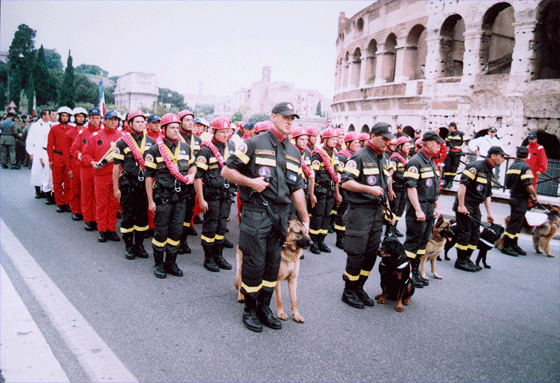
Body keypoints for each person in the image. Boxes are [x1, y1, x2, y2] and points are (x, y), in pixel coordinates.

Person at [222, 101, 309, 333]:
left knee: (272, 266)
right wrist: (251, 182)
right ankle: (249, 311)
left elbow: (298, 187)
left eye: (293, 119)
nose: (290, 122)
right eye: (285, 117)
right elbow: (226, 170)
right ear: (273, 117)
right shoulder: (252, 144)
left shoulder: (294, 152)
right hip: (257, 213)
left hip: (281, 216)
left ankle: (264, 308)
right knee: (254, 264)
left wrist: (304, 217)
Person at [339, 122, 395, 309]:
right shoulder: (359, 157)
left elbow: (383, 189)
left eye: (389, 139)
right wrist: (368, 189)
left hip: (377, 213)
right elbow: (345, 182)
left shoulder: (384, 158)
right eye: (384, 139)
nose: (387, 142)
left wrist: (388, 210)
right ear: (372, 136)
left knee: (371, 254)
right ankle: (349, 290)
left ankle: (359, 287)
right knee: (356, 254)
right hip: (359, 212)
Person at [145, 113, 197, 279]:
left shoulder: (185, 148)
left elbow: (193, 166)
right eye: (172, 128)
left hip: (180, 197)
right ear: (164, 129)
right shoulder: (154, 149)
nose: (175, 131)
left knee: (176, 232)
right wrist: (150, 200)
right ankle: (159, 264)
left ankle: (171, 263)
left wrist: (191, 176)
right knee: (161, 232)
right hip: (163, 197)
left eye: (177, 127)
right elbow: (148, 177)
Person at [453, 146, 506, 272]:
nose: (503, 159)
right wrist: (461, 205)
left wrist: (489, 213)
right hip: (465, 204)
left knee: (475, 234)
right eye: (502, 156)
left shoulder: (490, 172)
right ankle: (460, 261)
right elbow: (462, 186)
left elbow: (487, 194)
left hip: (475, 206)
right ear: (493, 156)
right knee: (465, 233)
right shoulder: (476, 167)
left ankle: (467, 259)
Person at [194, 116, 236, 272]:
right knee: (210, 227)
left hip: (226, 194)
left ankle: (219, 256)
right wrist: (201, 199)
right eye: (222, 132)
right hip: (211, 194)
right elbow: (198, 177)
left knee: (221, 226)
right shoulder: (205, 150)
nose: (226, 135)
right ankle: (208, 258)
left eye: (228, 132)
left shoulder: (231, 147)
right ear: (214, 131)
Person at [403, 131, 444, 288]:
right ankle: (407, 274)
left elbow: (434, 187)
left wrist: (436, 206)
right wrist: (418, 210)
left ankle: (415, 272)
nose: (439, 146)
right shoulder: (415, 162)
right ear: (428, 144)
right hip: (418, 208)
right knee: (413, 242)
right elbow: (411, 187)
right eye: (437, 143)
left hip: (429, 208)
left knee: (422, 243)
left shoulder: (430, 161)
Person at [112, 110, 155, 260]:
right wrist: (115, 188)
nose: (141, 124)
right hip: (128, 184)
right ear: (129, 124)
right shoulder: (122, 141)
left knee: (143, 217)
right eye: (137, 121)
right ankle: (129, 245)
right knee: (128, 217)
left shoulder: (151, 141)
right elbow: (116, 167)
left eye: (143, 121)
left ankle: (140, 244)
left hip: (144, 186)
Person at [82, 110, 123, 242]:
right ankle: (102, 230)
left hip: (117, 176)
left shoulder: (122, 137)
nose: (113, 122)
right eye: (110, 119)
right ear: (104, 121)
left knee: (114, 204)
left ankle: (111, 229)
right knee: (101, 203)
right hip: (101, 175)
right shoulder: (95, 136)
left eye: (115, 120)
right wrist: (92, 162)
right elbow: (85, 155)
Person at [501, 146, 538, 257]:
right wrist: (534, 195)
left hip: (513, 196)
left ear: (517, 154)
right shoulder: (525, 167)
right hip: (521, 198)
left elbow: (507, 183)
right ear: (528, 155)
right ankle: (506, 246)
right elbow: (528, 185)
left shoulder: (512, 166)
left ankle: (513, 244)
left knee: (518, 222)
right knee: (515, 223)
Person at [309, 127, 341, 254]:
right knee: (318, 216)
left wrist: (337, 193)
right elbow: (313, 175)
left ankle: (321, 241)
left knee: (327, 216)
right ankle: (314, 242)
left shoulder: (335, 154)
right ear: (325, 140)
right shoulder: (318, 154)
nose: (334, 141)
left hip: (330, 190)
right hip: (320, 190)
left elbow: (336, 174)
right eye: (332, 139)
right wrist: (312, 194)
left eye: (335, 139)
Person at [71, 107, 102, 231]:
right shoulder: (82, 133)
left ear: (101, 119)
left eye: (97, 118)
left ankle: (97, 219)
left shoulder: (103, 133)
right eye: (93, 118)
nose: (95, 120)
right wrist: (79, 155)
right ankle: (88, 219)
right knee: (87, 193)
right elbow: (74, 149)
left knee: (98, 195)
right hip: (86, 168)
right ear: (89, 118)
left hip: (100, 168)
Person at [177, 109, 201, 251]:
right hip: (178, 181)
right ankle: (176, 241)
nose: (190, 123)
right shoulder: (175, 137)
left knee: (188, 213)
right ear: (180, 122)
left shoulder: (197, 140)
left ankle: (183, 241)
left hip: (192, 182)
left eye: (192, 120)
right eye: (187, 120)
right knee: (177, 214)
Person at [333, 131, 360, 249]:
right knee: (341, 214)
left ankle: (346, 236)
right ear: (348, 143)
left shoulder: (356, 156)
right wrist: (338, 193)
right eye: (355, 143)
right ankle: (340, 239)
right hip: (343, 189)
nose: (358, 145)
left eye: (359, 143)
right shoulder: (342, 156)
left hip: (352, 190)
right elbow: (339, 176)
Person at [47, 107, 74, 212]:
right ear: (59, 117)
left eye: (67, 116)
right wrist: (50, 159)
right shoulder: (54, 129)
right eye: (63, 115)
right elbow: (49, 145)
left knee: (68, 182)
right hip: (57, 156)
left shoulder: (72, 129)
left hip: (68, 158)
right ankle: (59, 203)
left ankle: (67, 202)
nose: (65, 118)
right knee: (57, 182)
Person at [388, 135, 412, 238]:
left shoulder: (407, 157)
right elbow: (394, 174)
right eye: (406, 145)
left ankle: (395, 227)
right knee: (394, 209)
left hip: (403, 188)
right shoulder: (395, 158)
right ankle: (389, 231)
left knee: (400, 210)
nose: (408, 147)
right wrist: (408, 178)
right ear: (400, 146)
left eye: (409, 145)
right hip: (396, 187)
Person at [67, 107, 88, 221]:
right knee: (75, 188)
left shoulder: (88, 132)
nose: (81, 118)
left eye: (82, 116)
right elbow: (67, 152)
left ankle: (84, 210)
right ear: (74, 118)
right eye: (78, 116)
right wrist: (69, 168)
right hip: (74, 163)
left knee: (85, 190)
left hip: (86, 163)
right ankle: (75, 210)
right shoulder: (70, 133)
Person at [26, 110, 50, 198]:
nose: (50, 116)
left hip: (47, 150)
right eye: (48, 114)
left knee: (46, 171)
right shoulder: (35, 125)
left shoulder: (50, 125)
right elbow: (30, 139)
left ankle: (45, 190)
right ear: (43, 116)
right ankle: (37, 190)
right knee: (37, 171)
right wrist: (30, 152)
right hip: (37, 150)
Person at [442, 122, 465, 188]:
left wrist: (460, 147)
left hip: (457, 153)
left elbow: (467, 141)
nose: (448, 128)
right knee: (447, 167)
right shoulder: (448, 134)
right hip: (449, 153)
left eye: (449, 127)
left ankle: (450, 182)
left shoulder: (460, 133)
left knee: (454, 167)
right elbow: (445, 142)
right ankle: (446, 181)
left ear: (453, 127)